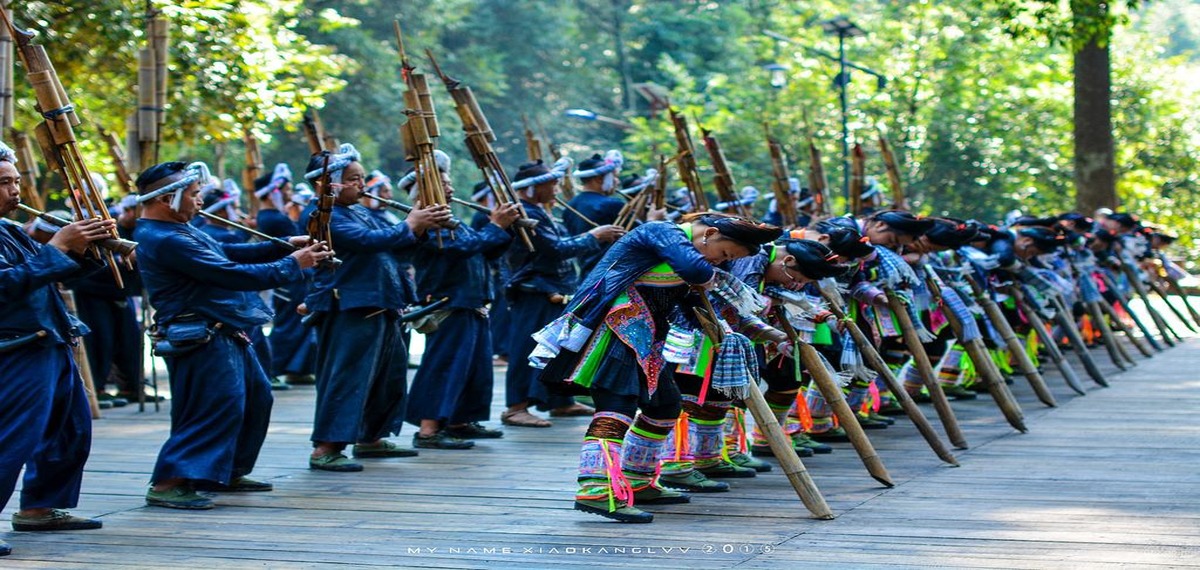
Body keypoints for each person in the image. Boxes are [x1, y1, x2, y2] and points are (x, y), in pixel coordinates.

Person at [532, 213, 781, 523]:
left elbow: (691, 307)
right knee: (617, 405)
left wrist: (734, 330)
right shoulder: (661, 232)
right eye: (725, 255)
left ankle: (638, 478)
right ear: (711, 233)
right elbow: (695, 269)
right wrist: (709, 278)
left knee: (665, 406)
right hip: (615, 328)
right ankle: (595, 490)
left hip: (647, 337)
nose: (720, 264)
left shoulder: (687, 256)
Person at [135, 160, 331, 509]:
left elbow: (227, 252)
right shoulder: (163, 238)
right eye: (194, 195)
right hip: (200, 334)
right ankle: (167, 483)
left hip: (225, 329)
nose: (199, 202)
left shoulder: (182, 230)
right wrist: (294, 263)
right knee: (212, 408)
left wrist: (284, 246)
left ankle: (223, 472)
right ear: (167, 200)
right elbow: (230, 273)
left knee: (257, 398)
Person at [304, 146, 450, 471]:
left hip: (383, 303)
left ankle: (370, 438)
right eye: (353, 179)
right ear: (328, 185)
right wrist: (411, 223)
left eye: (361, 178)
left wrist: (422, 227)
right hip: (350, 307)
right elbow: (367, 241)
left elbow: (395, 243)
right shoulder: (323, 216)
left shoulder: (361, 210)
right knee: (346, 378)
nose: (361, 184)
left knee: (389, 377)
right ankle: (326, 447)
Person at [0, 142, 107, 557]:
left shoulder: (9, 229)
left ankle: (40, 508)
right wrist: (59, 246)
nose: (16, 190)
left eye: (16, 181)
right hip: (16, 350)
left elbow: (50, 272)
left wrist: (91, 248)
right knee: (12, 438)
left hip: (51, 342)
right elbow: (8, 284)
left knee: (70, 430)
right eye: (6, 183)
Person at [406, 151, 520, 448]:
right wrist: (495, 226)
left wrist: (506, 228)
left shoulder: (454, 222)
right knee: (444, 366)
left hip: (470, 302)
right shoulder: (428, 225)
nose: (451, 188)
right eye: (443, 183)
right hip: (447, 304)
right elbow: (468, 246)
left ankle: (459, 421)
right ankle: (429, 430)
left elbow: (484, 250)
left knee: (473, 369)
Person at [502, 160, 623, 427]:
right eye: (552, 184)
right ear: (535, 188)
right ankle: (516, 407)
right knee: (526, 348)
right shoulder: (524, 215)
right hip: (533, 291)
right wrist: (594, 235)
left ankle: (560, 401)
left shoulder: (541, 212)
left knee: (557, 347)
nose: (557, 189)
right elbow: (555, 248)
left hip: (556, 290)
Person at [255, 164, 318, 385]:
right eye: (286, 189)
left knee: (295, 327)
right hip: (289, 277)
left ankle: (296, 369)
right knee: (288, 328)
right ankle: (272, 368)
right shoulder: (273, 218)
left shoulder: (273, 215)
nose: (289, 194)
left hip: (293, 276)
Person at [562, 151, 625, 273]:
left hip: (585, 273)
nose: (617, 181)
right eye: (614, 176)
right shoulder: (612, 204)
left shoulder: (570, 206)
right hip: (612, 274)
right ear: (599, 178)